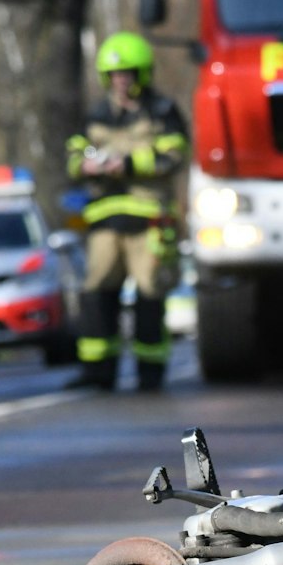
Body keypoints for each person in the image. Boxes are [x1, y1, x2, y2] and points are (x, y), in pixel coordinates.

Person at [65, 31, 189, 392]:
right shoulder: (96, 115)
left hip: (149, 220)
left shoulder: (162, 113)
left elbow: (174, 153)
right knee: (97, 292)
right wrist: (84, 166)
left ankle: (150, 373)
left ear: (141, 74)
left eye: (128, 74)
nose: (121, 81)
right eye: (115, 75)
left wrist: (130, 163)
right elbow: (74, 153)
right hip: (105, 220)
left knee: (150, 294)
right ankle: (97, 371)